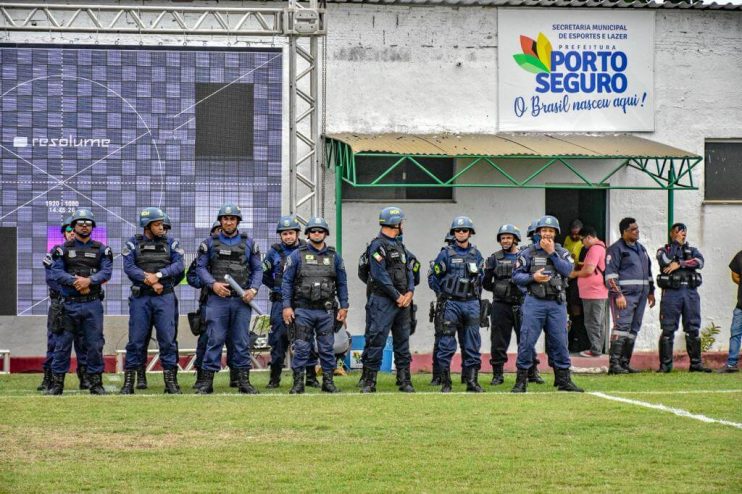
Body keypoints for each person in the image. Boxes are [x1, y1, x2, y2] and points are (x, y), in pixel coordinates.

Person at [194, 203, 263, 394]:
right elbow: (199, 268)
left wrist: (254, 289)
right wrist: (212, 284)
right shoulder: (208, 243)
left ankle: (243, 382)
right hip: (217, 300)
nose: (229, 222)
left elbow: (258, 269)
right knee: (214, 339)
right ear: (220, 221)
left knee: (241, 341)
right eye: (225, 218)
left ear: (238, 221)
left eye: (232, 219)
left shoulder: (249, 243)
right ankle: (207, 383)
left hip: (241, 301)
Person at [511, 215, 583, 393]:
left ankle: (563, 380)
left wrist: (552, 253)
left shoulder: (562, 251)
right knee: (527, 341)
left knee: (560, 341)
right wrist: (532, 277)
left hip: (556, 303)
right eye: (544, 230)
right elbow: (516, 276)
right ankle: (521, 381)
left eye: (551, 231)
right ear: (538, 233)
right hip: (534, 302)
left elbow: (568, 270)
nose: (547, 234)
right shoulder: (527, 253)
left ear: (556, 233)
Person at [119, 207, 185, 394]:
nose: (161, 227)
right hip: (142, 298)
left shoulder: (171, 243)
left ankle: (170, 382)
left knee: (167, 339)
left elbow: (179, 265)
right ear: (147, 226)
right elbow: (129, 267)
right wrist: (147, 278)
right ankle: (129, 382)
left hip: (164, 298)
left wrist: (158, 275)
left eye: (162, 224)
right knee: (136, 340)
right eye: (157, 224)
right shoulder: (133, 244)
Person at [47, 208, 113, 395]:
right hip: (68, 304)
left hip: (92, 304)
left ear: (93, 226)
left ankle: (95, 384)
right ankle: (57, 384)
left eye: (88, 223)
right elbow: (57, 272)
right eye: (80, 223)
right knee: (62, 344)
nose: (84, 226)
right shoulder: (61, 250)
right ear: (73, 227)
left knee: (94, 344)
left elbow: (106, 272)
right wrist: (77, 282)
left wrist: (89, 281)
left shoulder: (102, 249)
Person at [282, 217, 349, 394]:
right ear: (308, 234)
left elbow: (342, 283)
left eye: (320, 231)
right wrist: (286, 307)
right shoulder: (296, 255)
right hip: (303, 309)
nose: (317, 233)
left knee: (327, 348)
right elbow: (287, 282)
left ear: (325, 233)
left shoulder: (334, 257)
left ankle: (328, 382)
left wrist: (344, 306)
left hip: (326, 310)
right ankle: (298, 383)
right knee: (302, 347)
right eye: (313, 231)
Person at [359, 207, 415, 393]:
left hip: (403, 303)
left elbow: (409, 271)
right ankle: (369, 381)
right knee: (377, 339)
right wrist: (397, 296)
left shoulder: (400, 246)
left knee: (402, 341)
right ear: (396, 223)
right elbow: (379, 275)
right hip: (383, 301)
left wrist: (410, 292)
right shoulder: (377, 245)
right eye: (401, 222)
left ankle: (404, 379)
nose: (403, 225)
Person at [429, 216, 485, 393]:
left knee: (472, 343)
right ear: (453, 233)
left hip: (471, 302)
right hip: (451, 303)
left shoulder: (476, 255)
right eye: (458, 230)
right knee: (446, 343)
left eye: (465, 230)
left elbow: (481, 278)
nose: (461, 233)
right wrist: (443, 293)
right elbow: (433, 278)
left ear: (470, 233)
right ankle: (446, 382)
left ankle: (472, 381)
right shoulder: (445, 254)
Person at [262, 215, 317, 389]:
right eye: (284, 234)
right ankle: (275, 378)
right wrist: (278, 289)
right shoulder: (273, 252)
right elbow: (264, 275)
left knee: (306, 339)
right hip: (279, 303)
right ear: (280, 235)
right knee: (277, 341)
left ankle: (311, 377)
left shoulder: (306, 250)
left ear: (297, 233)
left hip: (302, 303)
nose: (288, 237)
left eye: (291, 233)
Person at [483, 224, 542, 385]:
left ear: (515, 239)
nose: (505, 240)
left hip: (522, 303)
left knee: (526, 339)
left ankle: (532, 372)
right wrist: (500, 289)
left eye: (509, 237)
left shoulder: (525, 256)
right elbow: (486, 283)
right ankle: (497, 374)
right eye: (503, 238)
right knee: (498, 340)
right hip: (501, 305)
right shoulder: (493, 258)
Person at [39, 216, 90, 392]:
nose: (71, 233)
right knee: (55, 342)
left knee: (84, 342)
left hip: (83, 302)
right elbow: (52, 279)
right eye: (68, 231)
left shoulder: (89, 252)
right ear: (64, 234)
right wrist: (75, 287)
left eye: (73, 230)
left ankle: (85, 379)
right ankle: (49, 379)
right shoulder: (55, 253)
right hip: (60, 304)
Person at [655, 223, 711, 373]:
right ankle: (665, 366)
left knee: (693, 328)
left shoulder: (692, 250)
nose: (683, 234)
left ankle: (696, 364)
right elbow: (664, 261)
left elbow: (700, 262)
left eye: (684, 232)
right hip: (672, 293)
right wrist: (674, 246)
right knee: (668, 329)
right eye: (679, 232)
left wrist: (680, 264)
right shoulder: (664, 250)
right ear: (672, 234)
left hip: (690, 293)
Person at [604, 217, 656, 374]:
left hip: (641, 295)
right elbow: (610, 275)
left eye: (637, 228)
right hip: (624, 296)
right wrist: (618, 294)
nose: (637, 231)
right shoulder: (616, 249)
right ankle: (614, 365)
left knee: (634, 328)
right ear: (624, 232)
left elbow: (648, 272)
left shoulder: (641, 249)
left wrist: (651, 291)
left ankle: (624, 363)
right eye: (633, 229)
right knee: (621, 327)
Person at [569, 225, 608, 358]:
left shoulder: (594, 249)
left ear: (589, 237)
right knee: (596, 320)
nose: (582, 243)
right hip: (594, 291)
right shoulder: (600, 248)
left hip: (594, 292)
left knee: (592, 321)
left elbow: (588, 271)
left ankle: (596, 349)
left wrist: (574, 274)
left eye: (583, 240)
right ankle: (597, 347)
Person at [428, 232, 455, 386]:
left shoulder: (470, 256)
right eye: (450, 242)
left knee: (467, 341)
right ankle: (438, 375)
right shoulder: (441, 258)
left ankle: (468, 375)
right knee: (441, 341)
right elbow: (433, 280)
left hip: (465, 302)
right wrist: (443, 292)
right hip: (444, 303)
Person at [720, 248, 742, 373]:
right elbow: (734, 275)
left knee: (735, 334)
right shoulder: (740, 256)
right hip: (741, 305)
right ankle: (731, 364)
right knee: (735, 334)